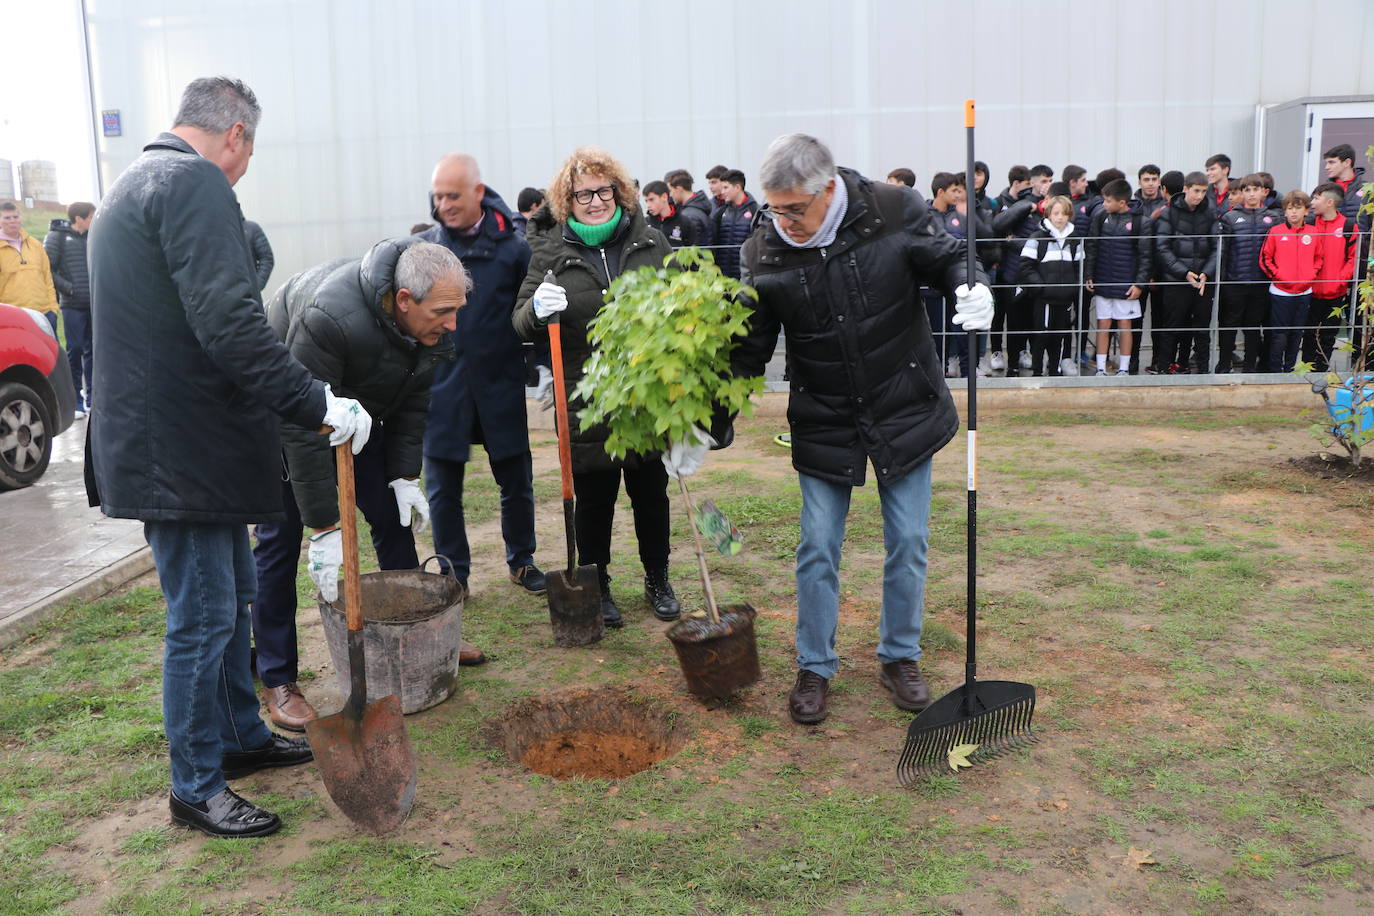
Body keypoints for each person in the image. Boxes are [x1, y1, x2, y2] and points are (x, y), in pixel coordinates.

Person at [86, 76, 372, 839]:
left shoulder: (131, 183)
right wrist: (317, 401)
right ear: (236, 134)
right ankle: (196, 785)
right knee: (203, 617)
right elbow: (231, 324)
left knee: (234, 594)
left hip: (177, 442)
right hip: (176, 448)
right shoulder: (193, 183)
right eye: (249, 151)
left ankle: (240, 737)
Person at [714, 133, 990, 725]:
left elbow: (949, 258)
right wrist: (712, 419)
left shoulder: (894, 210)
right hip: (825, 414)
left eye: (794, 208)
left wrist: (972, 285)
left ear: (829, 188)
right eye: (774, 208)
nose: (783, 221)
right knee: (817, 547)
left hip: (905, 402)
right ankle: (814, 664)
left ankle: (900, 656)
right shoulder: (763, 251)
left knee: (909, 543)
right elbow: (748, 349)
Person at [253, 239, 466, 731]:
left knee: (391, 518)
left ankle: (415, 634)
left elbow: (413, 407)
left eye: (457, 309)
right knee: (280, 544)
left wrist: (403, 476)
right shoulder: (331, 317)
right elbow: (300, 425)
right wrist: (325, 526)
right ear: (405, 299)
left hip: (360, 415)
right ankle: (277, 677)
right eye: (443, 311)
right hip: (285, 417)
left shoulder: (429, 325)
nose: (453, 323)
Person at [513, 146, 682, 627]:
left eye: (602, 190)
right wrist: (536, 310)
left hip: (646, 394)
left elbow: (679, 313)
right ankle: (600, 584)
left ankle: (658, 578)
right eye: (582, 193)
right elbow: (519, 321)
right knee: (595, 501)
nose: (594, 201)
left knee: (651, 494)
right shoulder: (550, 253)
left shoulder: (650, 243)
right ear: (567, 200)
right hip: (586, 399)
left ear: (619, 191)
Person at [420, 154, 546, 602]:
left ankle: (522, 561)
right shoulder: (427, 252)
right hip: (442, 388)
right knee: (442, 490)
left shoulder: (514, 249)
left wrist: (546, 367)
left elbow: (529, 311)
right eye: (437, 196)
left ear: (477, 192)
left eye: (452, 195)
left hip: (499, 383)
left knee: (516, 479)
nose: (444, 204)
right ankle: (455, 575)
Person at [1150, 172, 1218, 374]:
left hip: (1203, 281)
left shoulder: (1210, 213)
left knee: (1202, 330)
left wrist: (1206, 273)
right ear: (1186, 189)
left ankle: (1204, 372)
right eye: (1196, 190)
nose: (1199, 196)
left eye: (1204, 191)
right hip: (1177, 280)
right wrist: (1183, 272)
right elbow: (1162, 248)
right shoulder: (1169, 213)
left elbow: (1217, 247)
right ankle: (1164, 370)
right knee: (1171, 327)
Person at [1215, 174, 1280, 373]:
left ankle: (1250, 366)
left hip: (1261, 283)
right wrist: (1223, 281)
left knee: (1253, 327)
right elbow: (1223, 253)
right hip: (1234, 283)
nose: (1251, 194)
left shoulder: (1274, 218)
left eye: (1255, 189)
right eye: (1247, 190)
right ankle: (1224, 364)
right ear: (1241, 193)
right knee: (1228, 325)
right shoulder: (1230, 217)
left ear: (1263, 192)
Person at [1084, 180, 1150, 375]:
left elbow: (1146, 257)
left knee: (1124, 325)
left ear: (1122, 202)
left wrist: (1139, 284)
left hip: (1126, 285)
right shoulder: (1100, 216)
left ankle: (1124, 369)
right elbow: (1092, 246)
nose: (1104, 204)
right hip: (1104, 281)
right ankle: (1101, 368)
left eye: (1108, 200)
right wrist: (1089, 274)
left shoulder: (1141, 222)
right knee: (1103, 323)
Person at [993, 164, 1053, 374]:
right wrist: (1028, 207)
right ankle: (1012, 365)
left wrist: (1019, 242)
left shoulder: (1054, 204)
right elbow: (1000, 229)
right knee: (1015, 321)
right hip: (1014, 274)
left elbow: (1049, 239)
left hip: (1040, 274)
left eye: (1050, 181)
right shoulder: (1021, 202)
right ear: (1033, 182)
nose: (1047, 185)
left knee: (1036, 321)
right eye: (1043, 181)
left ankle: (1035, 361)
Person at [1019, 196, 1084, 377]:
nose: (1060, 217)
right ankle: (1037, 372)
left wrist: (1073, 288)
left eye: (1064, 213)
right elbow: (1025, 265)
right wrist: (1040, 287)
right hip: (1045, 298)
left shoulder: (1075, 239)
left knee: (1059, 338)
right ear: (1048, 214)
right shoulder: (1037, 237)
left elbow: (1080, 267)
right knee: (1041, 336)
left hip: (1065, 299)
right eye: (1056, 213)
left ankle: (1055, 371)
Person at [1261, 190, 1323, 373]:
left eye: (1298, 208)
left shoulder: (1314, 233)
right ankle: (1275, 371)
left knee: (1297, 334)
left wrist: (1310, 277)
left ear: (1306, 211)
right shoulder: (1275, 231)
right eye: (1290, 208)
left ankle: (1290, 370)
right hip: (1281, 292)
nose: (1294, 212)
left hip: (1304, 292)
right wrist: (1280, 277)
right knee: (1280, 335)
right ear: (1284, 211)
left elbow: (1319, 259)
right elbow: (1265, 259)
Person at [44, 201, 96, 415]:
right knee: (74, 349)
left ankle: (92, 399)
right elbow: (48, 270)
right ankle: (75, 401)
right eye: (91, 217)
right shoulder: (57, 237)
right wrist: (70, 289)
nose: (94, 220)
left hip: (93, 305)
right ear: (79, 219)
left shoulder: (91, 238)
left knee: (93, 351)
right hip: (72, 305)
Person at [1306, 182, 1358, 371]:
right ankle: (1306, 371)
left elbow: (1354, 257)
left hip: (1335, 292)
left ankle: (1321, 370)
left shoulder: (1348, 226)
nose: (1312, 202)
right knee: (1309, 334)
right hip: (1309, 291)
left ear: (1329, 202)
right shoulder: (1310, 223)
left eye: (1316, 198)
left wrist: (1340, 280)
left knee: (1328, 335)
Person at [0, 200, 59, 333]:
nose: (12, 221)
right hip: (12, 316)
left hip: (44, 314)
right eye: (7, 218)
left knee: (49, 353)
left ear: (21, 218)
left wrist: (52, 308)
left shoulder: (35, 245)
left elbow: (47, 277)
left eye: (15, 217)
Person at [711, 169, 759, 279]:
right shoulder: (720, 212)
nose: (722, 191)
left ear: (738, 187)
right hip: (723, 277)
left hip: (747, 275)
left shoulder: (755, 211)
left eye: (726, 187)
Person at [643, 180, 699, 247]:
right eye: (646, 201)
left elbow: (694, 251)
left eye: (651, 200)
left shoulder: (685, 222)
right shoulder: (645, 223)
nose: (648, 205)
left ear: (664, 197)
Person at [664, 170, 713, 244]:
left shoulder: (690, 215)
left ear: (679, 189)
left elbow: (692, 247)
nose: (670, 195)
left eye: (670, 191)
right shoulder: (697, 208)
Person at [243, 218, 274, 291]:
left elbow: (267, 258)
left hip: (249, 296)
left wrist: (255, 287)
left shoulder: (251, 228)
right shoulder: (215, 231)